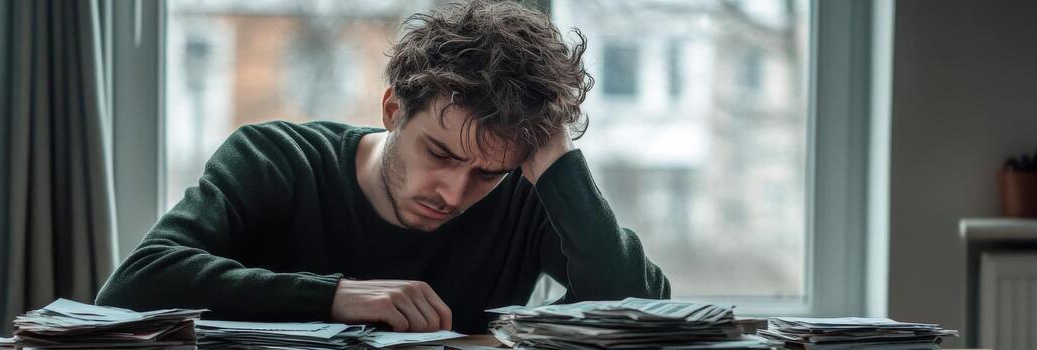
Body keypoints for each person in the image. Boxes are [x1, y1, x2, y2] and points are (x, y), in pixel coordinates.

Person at [95, 0, 669, 334]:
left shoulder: (524, 192)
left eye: (486, 172)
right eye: (439, 153)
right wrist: (333, 295)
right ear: (393, 109)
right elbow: (133, 287)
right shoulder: (276, 158)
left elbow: (643, 308)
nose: (452, 191)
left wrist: (557, 159)